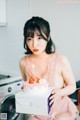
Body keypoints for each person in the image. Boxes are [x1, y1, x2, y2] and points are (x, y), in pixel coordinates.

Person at [19, 16, 79, 120]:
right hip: (36, 113)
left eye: (39, 38)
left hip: (61, 112)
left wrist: (60, 92)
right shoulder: (24, 62)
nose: (34, 44)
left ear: (48, 38)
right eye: (29, 39)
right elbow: (29, 86)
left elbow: (72, 86)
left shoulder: (61, 60)